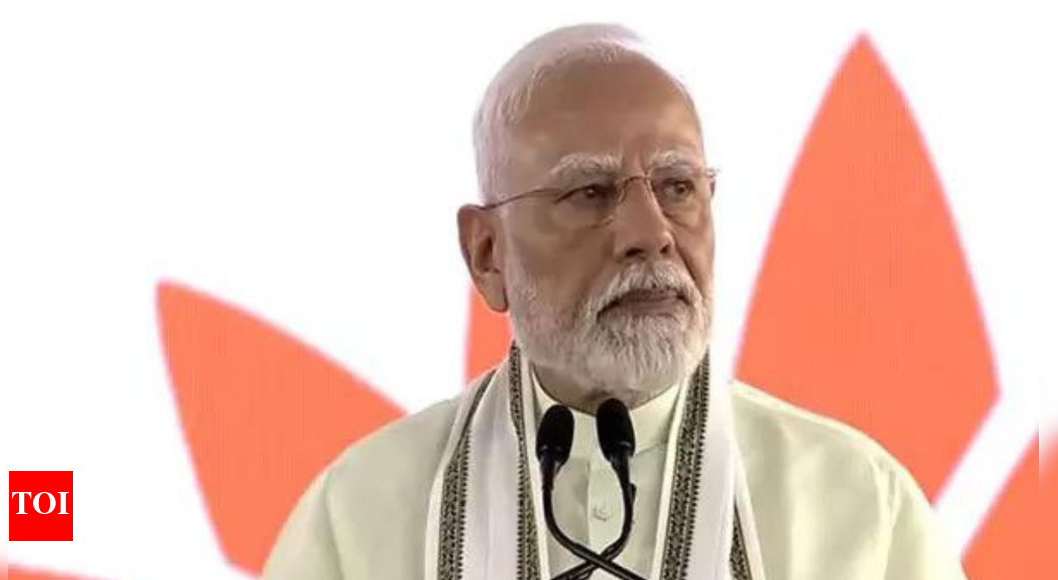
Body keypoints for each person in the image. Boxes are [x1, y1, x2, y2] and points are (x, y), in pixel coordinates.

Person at [261, 24, 967, 580]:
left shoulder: (860, 507)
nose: (650, 234)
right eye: (590, 192)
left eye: (677, 187)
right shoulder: (358, 518)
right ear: (486, 253)